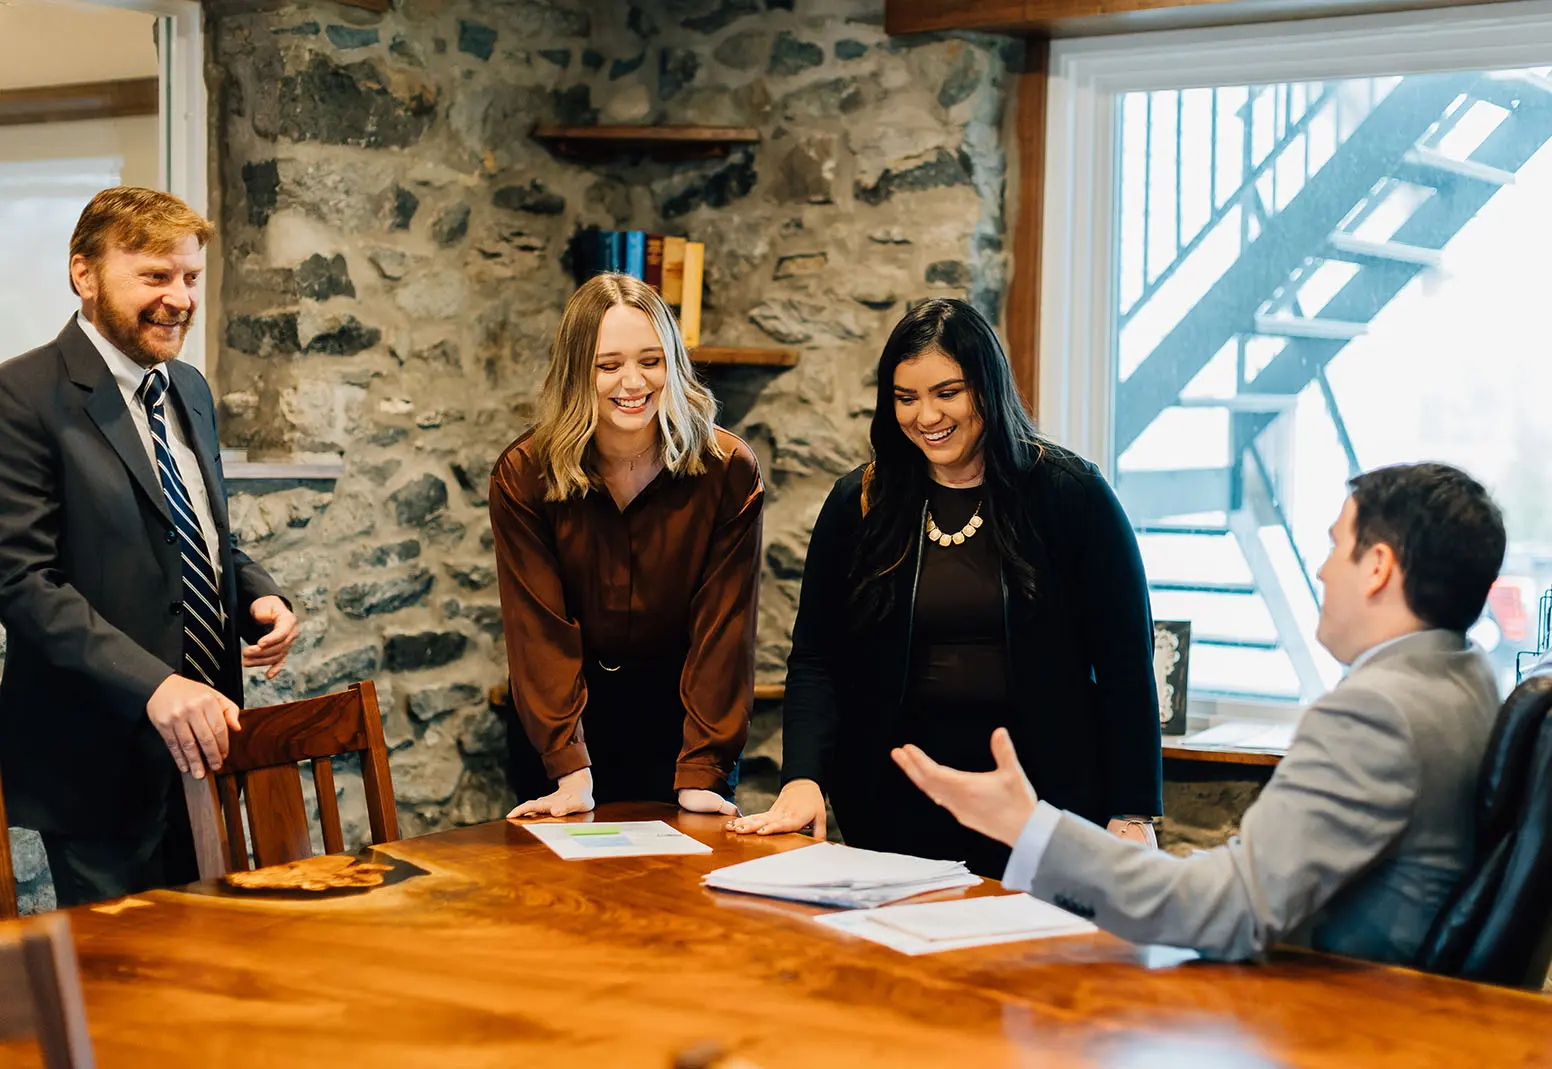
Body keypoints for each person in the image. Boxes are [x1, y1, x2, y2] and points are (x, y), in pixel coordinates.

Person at [894, 462, 1506, 966]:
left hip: (1345, 1018)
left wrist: (1029, 826)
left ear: (1377, 566)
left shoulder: (1373, 714)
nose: (1321, 569)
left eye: (1334, 547)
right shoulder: (1468, 678)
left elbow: (1231, 909)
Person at [729, 298, 1162, 877]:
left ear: (987, 387)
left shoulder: (1070, 495)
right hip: (892, 806)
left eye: (947, 393)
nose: (925, 416)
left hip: (1039, 804)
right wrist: (804, 777)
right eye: (905, 398)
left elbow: (1125, 664)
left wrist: (1133, 812)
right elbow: (817, 657)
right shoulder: (859, 503)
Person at [0, 187, 299, 906]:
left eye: (190, 277)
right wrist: (156, 688)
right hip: (97, 759)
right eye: (155, 276)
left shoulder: (190, 388)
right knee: (127, 989)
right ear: (85, 274)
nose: (180, 298)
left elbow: (196, 530)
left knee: (218, 963)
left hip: (209, 744)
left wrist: (259, 590)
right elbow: (22, 583)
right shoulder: (21, 395)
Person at [490, 272, 763, 819]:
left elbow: (724, 629)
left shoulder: (727, 472)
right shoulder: (524, 476)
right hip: (567, 731)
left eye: (651, 360)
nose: (632, 382)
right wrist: (570, 768)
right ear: (575, 373)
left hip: (687, 724)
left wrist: (703, 769)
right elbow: (538, 629)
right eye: (608, 365)